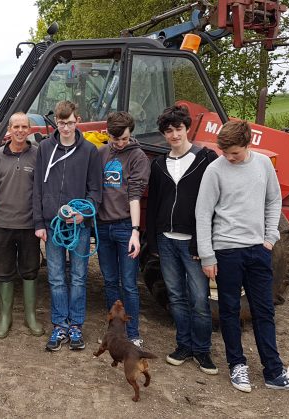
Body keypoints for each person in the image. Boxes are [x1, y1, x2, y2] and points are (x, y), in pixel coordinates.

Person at [195, 120, 289, 394]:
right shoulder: (215, 170)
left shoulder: (262, 165)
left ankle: (274, 371)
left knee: (264, 311)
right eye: (225, 152)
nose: (228, 157)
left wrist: (270, 237)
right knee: (229, 310)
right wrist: (207, 255)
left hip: (258, 251)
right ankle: (237, 365)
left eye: (234, 153)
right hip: (226, 251)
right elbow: (203, 213)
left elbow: (273, 200)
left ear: (247, 145)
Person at [145, 105, 219, 375]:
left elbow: (213, 204)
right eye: (168, 131)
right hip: (166, 240)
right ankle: (183, 345)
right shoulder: (159, 164)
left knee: (199, 298)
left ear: (187, 128)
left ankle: (202, 350)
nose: (174, 135)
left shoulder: (205, 159)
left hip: (193, 242)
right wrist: (152, 241)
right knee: (175, 296)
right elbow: (153, 204)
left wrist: (204, 242)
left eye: (178, 129)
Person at [33, 100, 102, 351]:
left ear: (78, 120)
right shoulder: (44, 149)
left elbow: (96, 190)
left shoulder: (89, 151)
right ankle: (60, 324)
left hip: (78, 226)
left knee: (79, 276)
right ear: (56, 123)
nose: (66, 128)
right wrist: (39, 222)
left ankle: (76, 325)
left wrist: (84, 214)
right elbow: (38, 188)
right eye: (62, 123)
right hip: (52, 225)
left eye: (70, 123)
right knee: (56, 277)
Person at [96, 111, 150, 347]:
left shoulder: (137, 157)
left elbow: (135, 195)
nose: (119, 143)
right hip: (103, 227)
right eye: (115, 139)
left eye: (124, 139)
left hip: (125, 227)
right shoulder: (100, 153)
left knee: (128, 283)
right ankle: (114, 331)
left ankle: (134, 333)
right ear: (107, 133)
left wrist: (135, 232)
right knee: (109, 281)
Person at [0, 112, 43, 339]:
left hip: (30, 224)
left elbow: (41, 187)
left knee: (30, 270)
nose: (20, 131)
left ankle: (30, 316)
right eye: (16, 127)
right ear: (9, 129)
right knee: (4, 271)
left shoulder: (38, 154)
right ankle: (5, 317)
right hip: (3, 223)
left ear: (29, 129)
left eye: (24, 127)